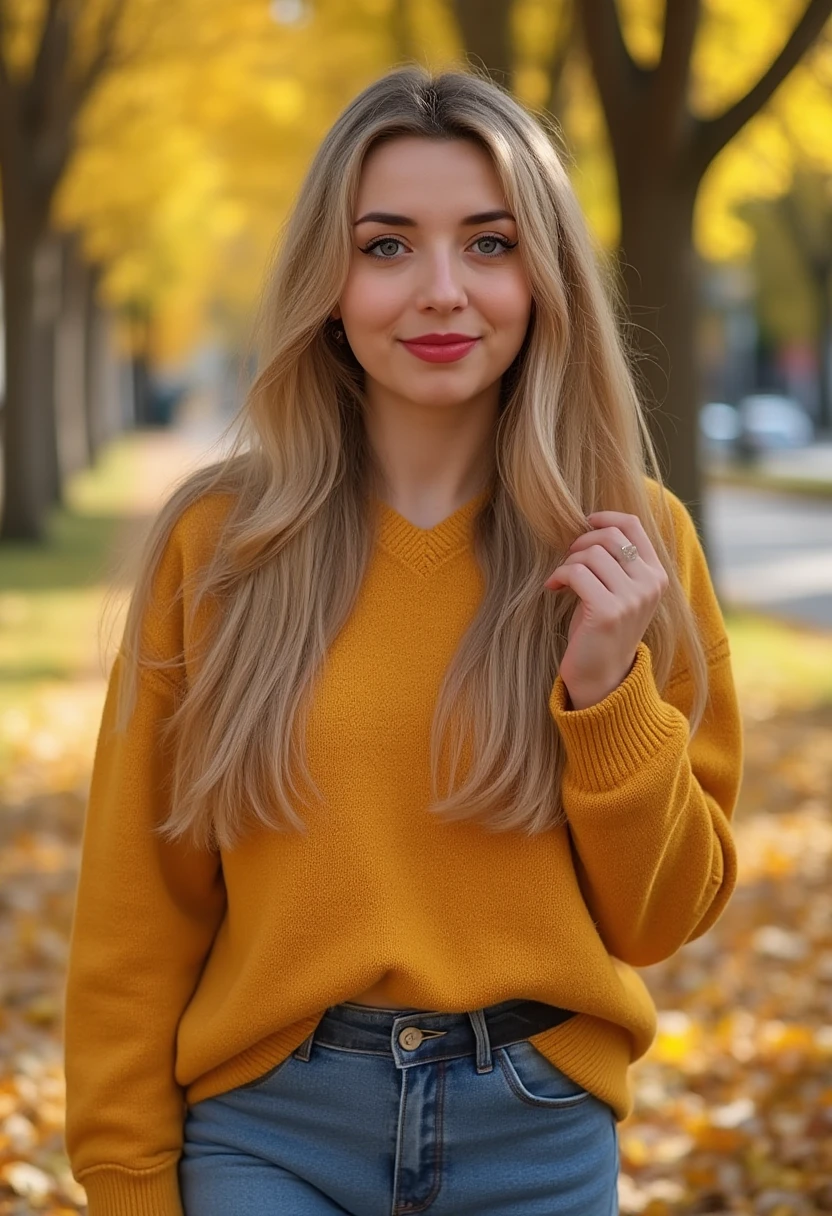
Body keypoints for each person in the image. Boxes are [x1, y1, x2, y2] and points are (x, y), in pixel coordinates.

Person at [63, 65, 743, 1216]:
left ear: (545, 275)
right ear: (328, 282)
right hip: (267, 1130)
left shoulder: (637, 544)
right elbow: (139, 901)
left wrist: (605, 690)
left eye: (489, 243)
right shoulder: (220, 545)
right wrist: (127, 1179)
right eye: (387, 246)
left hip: (533, 1136)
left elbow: (662, 918)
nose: (441, 290)